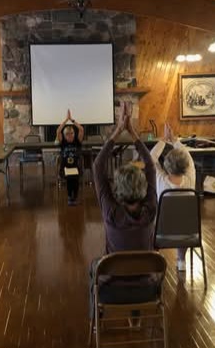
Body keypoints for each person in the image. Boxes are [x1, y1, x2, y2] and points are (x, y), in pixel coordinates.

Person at [89, 102, 158, 319]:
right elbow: (151, 165)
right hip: (148, 289)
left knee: (93, 268)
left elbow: (98, 166)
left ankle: (96, 318)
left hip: (111, 290)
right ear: (144, 187)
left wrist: (119, 130)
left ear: (117, 189)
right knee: (134, 266)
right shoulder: (150, 210)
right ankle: (135, 316)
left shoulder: (111, 212)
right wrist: (133, 133)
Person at [149, 123, 195, 271]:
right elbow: (188, 157)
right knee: (183, 223)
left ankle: (155, 260)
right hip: (188, 235)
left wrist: (163, 139)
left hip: (161, 234)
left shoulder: (160, 180)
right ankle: (181, 260)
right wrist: (174, 140)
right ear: (186, 167)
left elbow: (151, 158)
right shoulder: (190, 180)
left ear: (166, 166)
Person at [56, 109, 84, 206]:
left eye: (71, 133)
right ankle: (69, 197)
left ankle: (74, 197)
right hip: (66, 167)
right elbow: (58, 130)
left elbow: (81, 129)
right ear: (65, 136)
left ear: (74, 134)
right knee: (69, 182)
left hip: (76, 166)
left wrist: (71, 120)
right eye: (67, 134)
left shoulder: (77, 141)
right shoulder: (63, 143)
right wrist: (65, 120)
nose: (70, 136)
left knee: (75, 181)